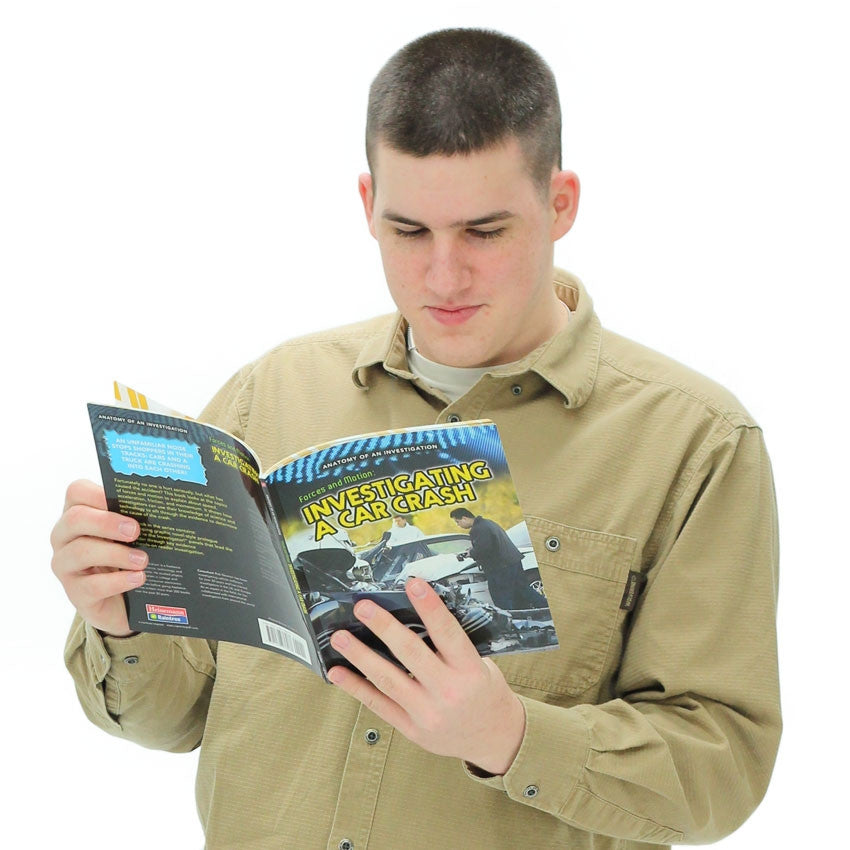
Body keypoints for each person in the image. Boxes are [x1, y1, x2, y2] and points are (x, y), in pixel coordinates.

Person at [50, 28, 780, 850]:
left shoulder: (694, 442)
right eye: (408, 231)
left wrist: (509, 736)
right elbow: (172, 720)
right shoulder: (269, 395)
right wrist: (122, 619)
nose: (443, 276)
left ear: (561, 202)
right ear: (367, 205)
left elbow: (724, 771)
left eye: (485, 231)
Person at [450, 508, 545, 610]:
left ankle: (510, 617)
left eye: (457, 522)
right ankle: (544, 607)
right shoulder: (488, 523)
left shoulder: (478, 529)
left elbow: (484, 549)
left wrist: (470, 553)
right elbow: (492, 543)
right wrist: (473, 549)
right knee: (523, 589)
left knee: (502, 597)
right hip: (513, 562)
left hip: (500, 567)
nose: (458, 525)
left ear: (464, 518)